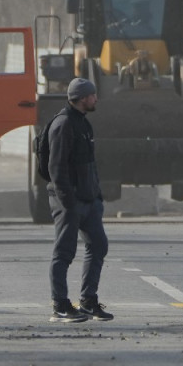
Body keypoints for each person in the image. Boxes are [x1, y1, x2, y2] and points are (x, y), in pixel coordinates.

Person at [46, 77, 112, 323]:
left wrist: (97, 196)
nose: (96, 99)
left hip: (89, 200)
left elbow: (90, 165)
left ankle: (88, 301)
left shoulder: (84, 124)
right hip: (69, 201)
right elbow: (56, 168)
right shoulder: (63, 125)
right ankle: (60, 305)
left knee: (99, 245)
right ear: (83, 98)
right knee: (64, 252)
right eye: (93, 95)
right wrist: (68, 202)